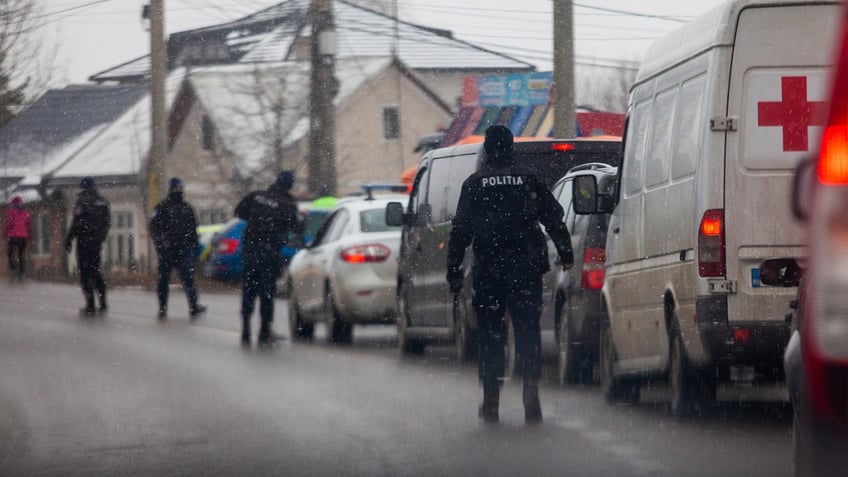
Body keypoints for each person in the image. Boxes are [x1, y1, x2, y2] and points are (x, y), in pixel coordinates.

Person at [446, 125, 574, 424]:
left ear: (488, 150)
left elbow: (461, 231)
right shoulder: (530, 179)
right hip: (526, 268)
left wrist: (453, 271)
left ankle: (491, 398)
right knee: (527, 332)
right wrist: (566, 253)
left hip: (489, 271)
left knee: (491, 336)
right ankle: (530, 392)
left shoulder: (474, 184)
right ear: (512, 146)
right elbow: (554, 218)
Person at [235, 170, 302, 346]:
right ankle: (265, 331)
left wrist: (257, 220)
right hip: (269, 253)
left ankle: (246, 329)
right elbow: (296, 227)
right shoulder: (288, 204)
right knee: (267, 292)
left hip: (251, 250)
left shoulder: (256, 196)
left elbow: (240, 212)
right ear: (289, 185)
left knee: (249, 290)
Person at [150, 177, 207, 320]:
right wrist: (162, 245)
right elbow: (154, 228)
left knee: (188, 278)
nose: (179, 190)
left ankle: (193, 306)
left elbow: (194, 230)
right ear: (172, 189)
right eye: (177, 188)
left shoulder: (187, 208)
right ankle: (163, 308)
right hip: (169, 250)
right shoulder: (162, 207)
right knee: (165, 280)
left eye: (181, 188)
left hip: (183, 249)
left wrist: (194, 249)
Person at [64, 176, 111, 315]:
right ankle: (103, 302)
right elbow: (107, 223)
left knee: (85, 273)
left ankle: (90, 304)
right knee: (96, 272)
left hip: (84, 242)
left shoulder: (82, 202)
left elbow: (76, 223)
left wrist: (69, 239)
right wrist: (100, 237)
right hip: (95, 243)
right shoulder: (103, 202)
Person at [4, 195, 33, 281]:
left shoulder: (11, 212)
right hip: (23, 237)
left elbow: (9, 224)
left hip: (13, 236)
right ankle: (22, 272)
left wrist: (5, 234)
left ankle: (14, 270)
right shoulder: (25, 212)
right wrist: (30, 236)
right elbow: (29, 225)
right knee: (21, 255)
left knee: (10, 254)